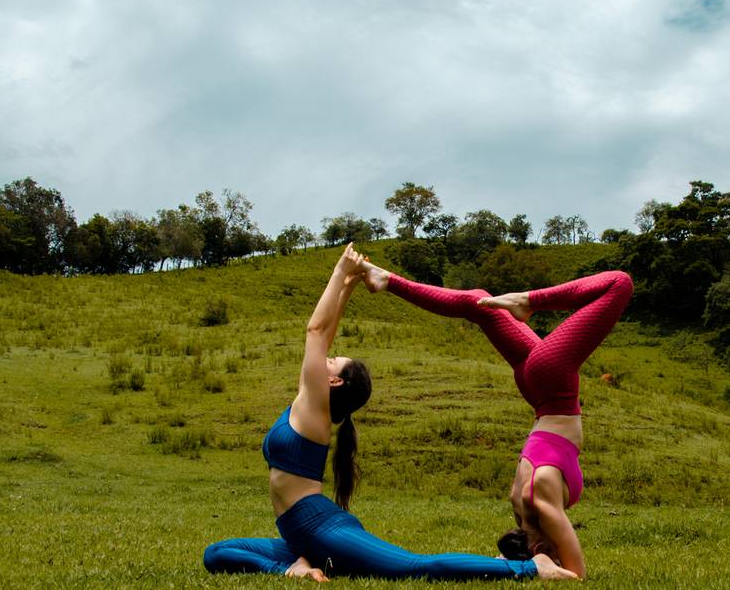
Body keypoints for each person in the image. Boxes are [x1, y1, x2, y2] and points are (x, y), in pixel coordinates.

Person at [203, 243, 576, 581]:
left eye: (332, 361)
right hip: (301, 537)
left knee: (414, 566)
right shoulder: (309, 401)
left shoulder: (314, 410)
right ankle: (294, 568)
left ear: (334, 382)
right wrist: (348, 284)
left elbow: (316, 331)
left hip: (323, 530)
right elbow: (325, 334)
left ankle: (532, 567)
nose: (325, 358)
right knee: (216, 553)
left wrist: (340, 270)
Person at [359, 259, 634, 579]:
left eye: (554, 553)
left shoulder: (542, 505)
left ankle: (528, 301)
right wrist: (510, 561)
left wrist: (543, 563)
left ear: (538, 549)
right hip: (538, 392)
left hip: (553, 383)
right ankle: (387, 280)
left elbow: (576, 575)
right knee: (478, 302)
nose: (561, 551)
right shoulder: (521, 509)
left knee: (619, 284)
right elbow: (536, 559)